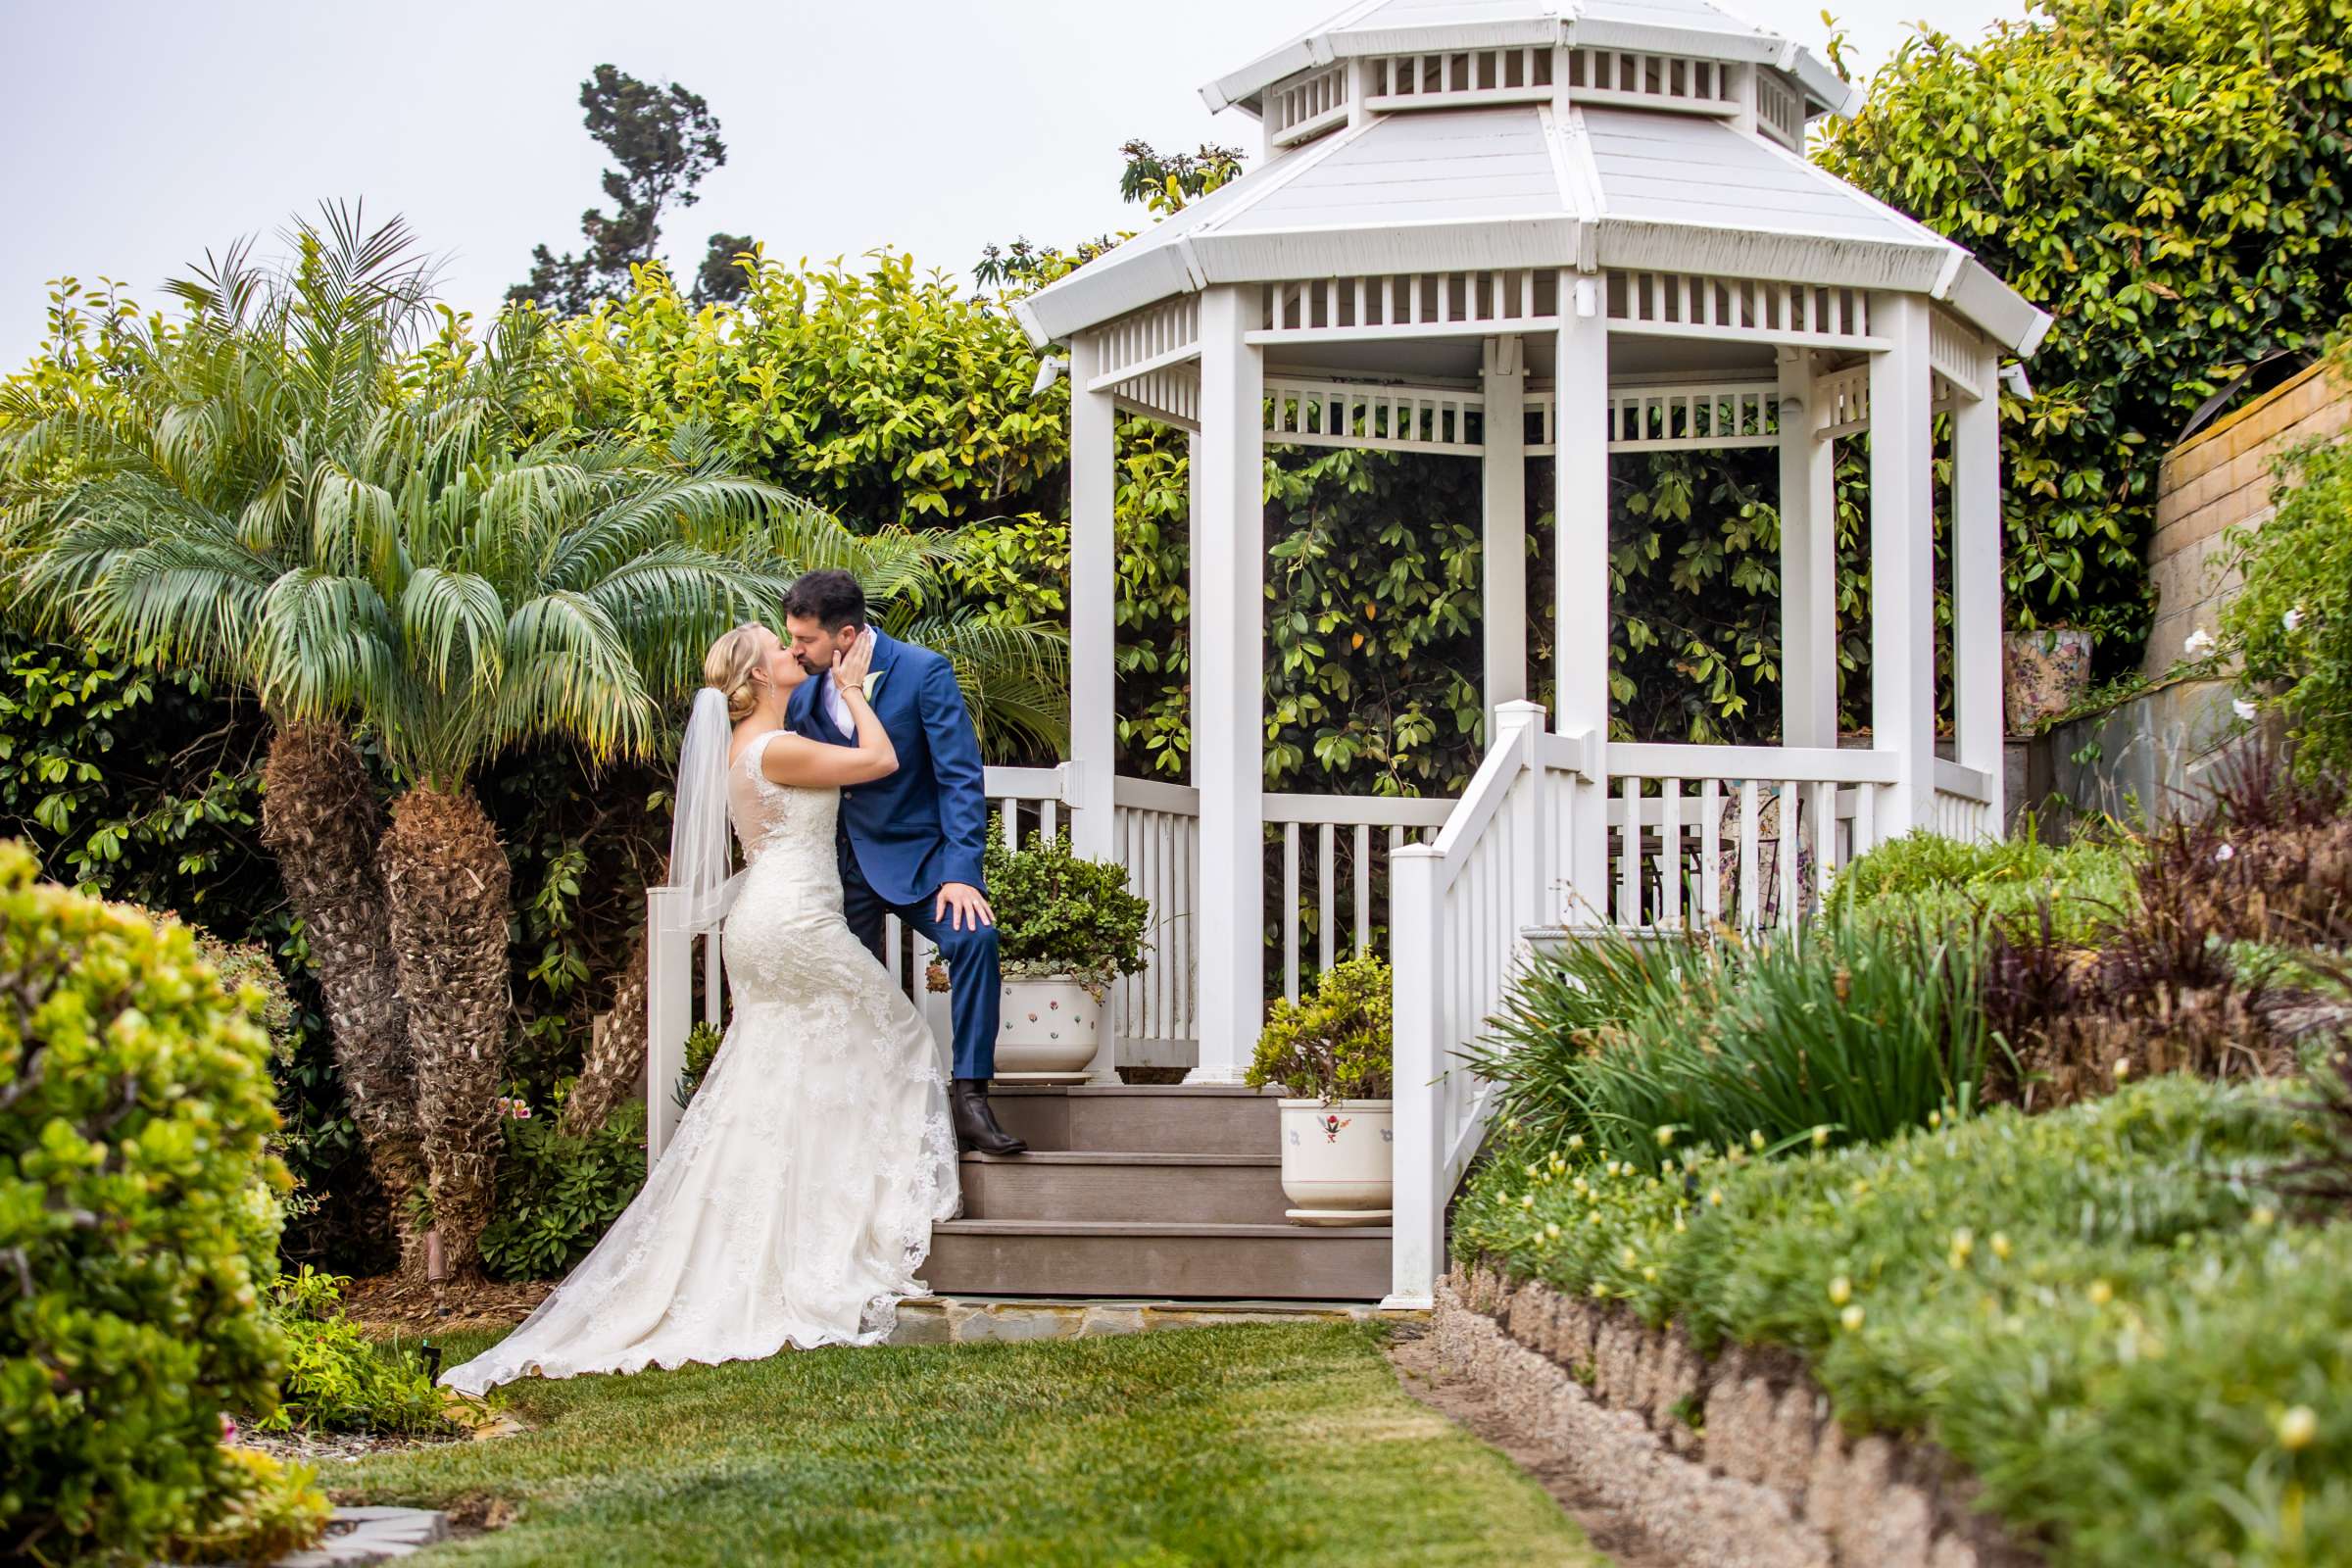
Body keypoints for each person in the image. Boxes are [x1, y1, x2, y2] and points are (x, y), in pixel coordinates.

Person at [439, 623, 958, 1394]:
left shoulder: (745, 747)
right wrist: (851, 689)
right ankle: (852, 1226)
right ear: (758, 674)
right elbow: (881, 760)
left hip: (765, 923)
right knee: (903, 1037)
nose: (797, 655)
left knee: (778, 1081)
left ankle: (804, 1227)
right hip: (795, 925)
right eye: (781, 652)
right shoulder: (774, 748)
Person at [781, 567, 1027, 1157]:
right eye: (789, 637)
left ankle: (970, 1097)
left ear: (844, 635)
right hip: (840, 869)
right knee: (850, 986)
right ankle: (867, 1111)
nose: (794, 649)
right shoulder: (801, 695)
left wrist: (961, 871)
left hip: (920, 863)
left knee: (975, 940)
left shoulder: (922, 672)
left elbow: (961, 778)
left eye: (805, 639)